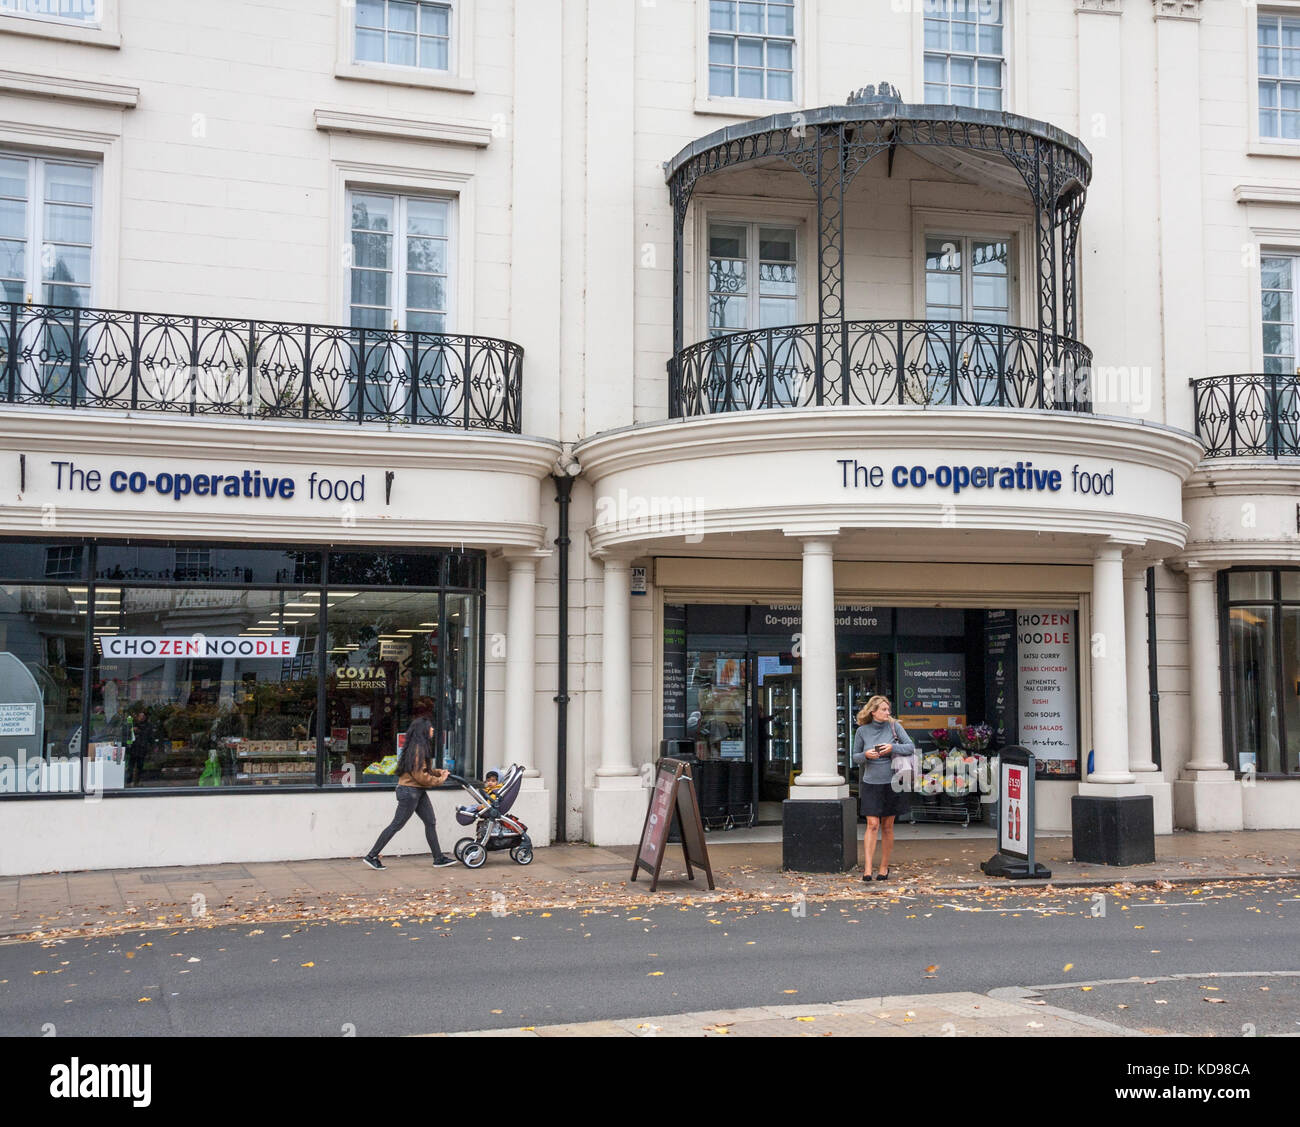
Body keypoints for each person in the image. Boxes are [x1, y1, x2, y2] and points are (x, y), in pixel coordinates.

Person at [362, 713, 455, 870]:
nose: (433, 729)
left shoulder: (417, 747)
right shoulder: (418, 749)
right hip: (410, 792)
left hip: (417, 791)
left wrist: (439, 772)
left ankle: (438, 858)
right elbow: (421, 776)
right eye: (430, 727)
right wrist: (440, 780)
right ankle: (371, 856)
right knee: (397, 824)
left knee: (430, 822)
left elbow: (424, 771)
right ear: (424, 730)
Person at [851, 694, 914, 882]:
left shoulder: (895, 726)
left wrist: (891, 748)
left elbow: (910, 747)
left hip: (893, 782)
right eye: (884, 710)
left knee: (887, 826)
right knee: (872, 824)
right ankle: (868, 868)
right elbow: (855, 757)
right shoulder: (862, 731)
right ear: (873, 711)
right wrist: (867, 754)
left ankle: (884, 867)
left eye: (888, 709)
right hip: (871, 782)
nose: (888, 713)